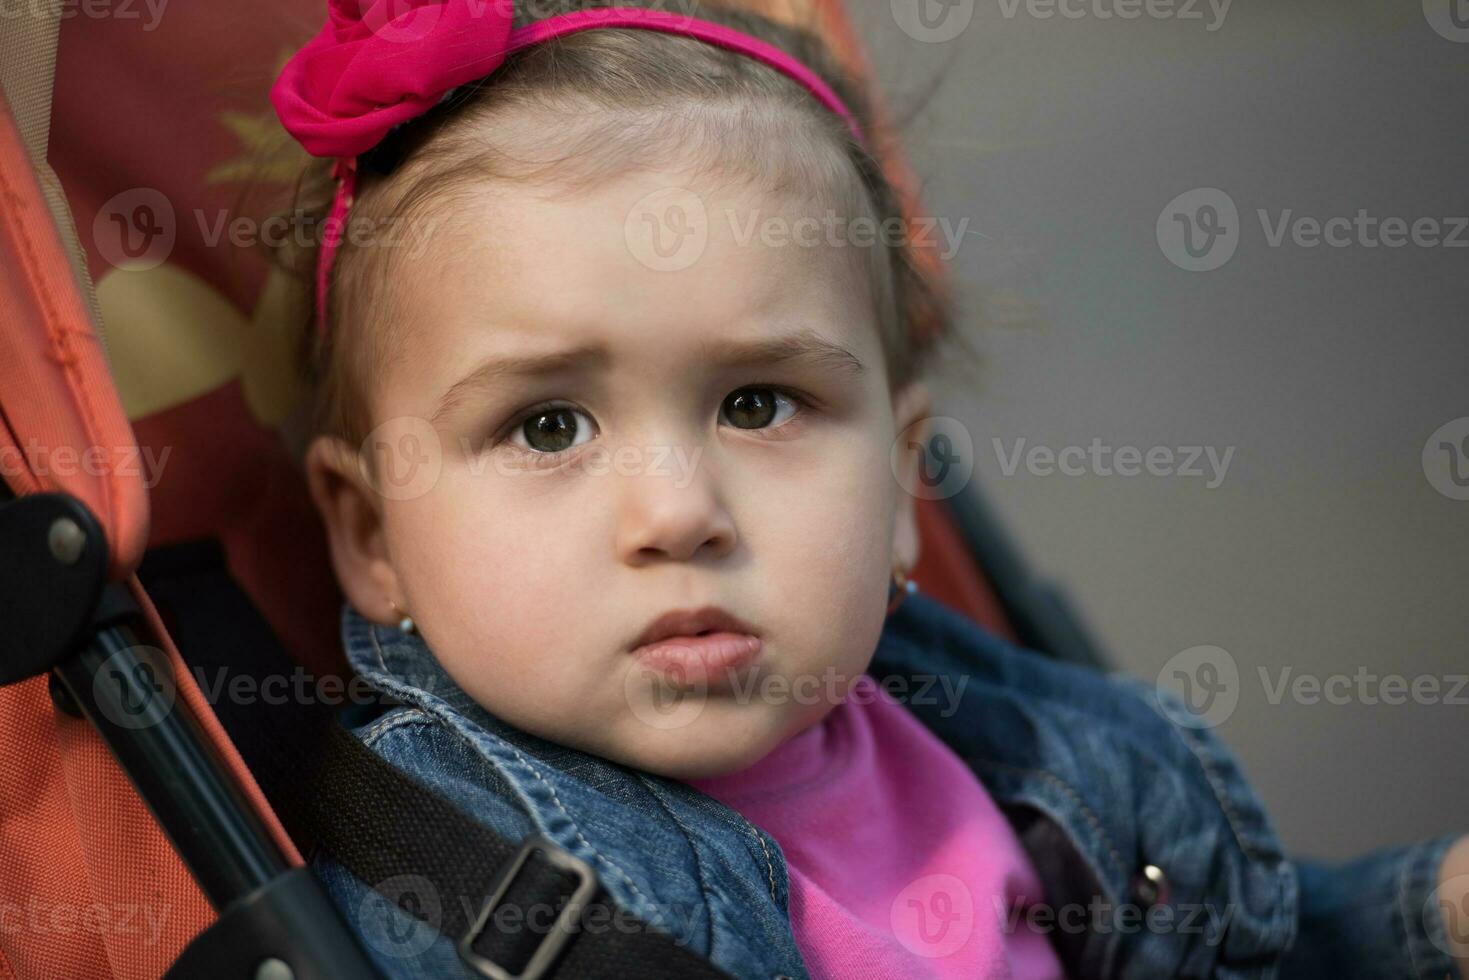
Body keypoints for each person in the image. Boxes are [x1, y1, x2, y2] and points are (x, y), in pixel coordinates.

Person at [268, 1, 1469, 976]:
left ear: (899, 478)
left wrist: (1419, 918)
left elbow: (1237, 936)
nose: (679, 511)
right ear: (373, 533)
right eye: (546, 424)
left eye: (755, 403)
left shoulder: (1000, 741)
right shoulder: (470, 898)